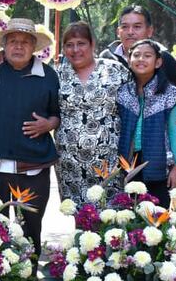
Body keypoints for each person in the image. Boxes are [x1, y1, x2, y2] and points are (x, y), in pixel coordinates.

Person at [0, 18, 60, 275]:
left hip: (33, 166)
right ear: (3, 45)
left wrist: (48, 124)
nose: (18, 46)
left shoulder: (48, 75)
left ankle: (28, 275)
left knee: (30, 226)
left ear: (34, 46)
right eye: (13, 41)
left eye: (25, 42)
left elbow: (57, 114)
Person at [55, 22, 130, 208]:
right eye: (69, 45)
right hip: (69, 162)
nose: (75, 50)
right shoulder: (56, 74)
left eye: (81, 43)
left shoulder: (115, 70)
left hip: (109, 160)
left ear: (92, 44)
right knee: (81, 217)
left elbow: (138, 103)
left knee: (112, 216)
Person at [117, 39, 176, 209]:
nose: (141, 59)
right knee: (128, 214)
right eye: (136, 55)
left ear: (158, 62)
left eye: (147, 56)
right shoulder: (122, 92)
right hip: (128, 162)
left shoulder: (170, 93)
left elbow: (174, 129)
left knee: (157, 214)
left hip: (158, 162)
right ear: (129, 60)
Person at [100, 5, 176, 89]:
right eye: (125, 27)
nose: (130, 32)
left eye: (137, 27)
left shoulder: (164, 59)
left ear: (149, 31)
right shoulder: (106, 58)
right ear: (118, 32)